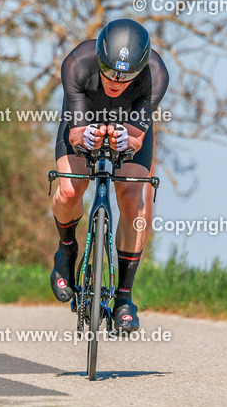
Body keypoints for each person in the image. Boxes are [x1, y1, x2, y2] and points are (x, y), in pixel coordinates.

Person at [49, 19, 169, 333]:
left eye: (126, 75)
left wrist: (126, 138)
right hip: (84, 115)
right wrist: (82, 137)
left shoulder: (156, 75)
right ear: (99, 59)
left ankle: (125, 298)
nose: (116, 81)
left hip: (128, 124)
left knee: (132, 201)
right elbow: (74, 133)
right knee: (69, 191)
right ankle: (65, 251)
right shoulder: (77, 63)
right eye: (109, 70)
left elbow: (136, 137)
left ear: (141, 68)